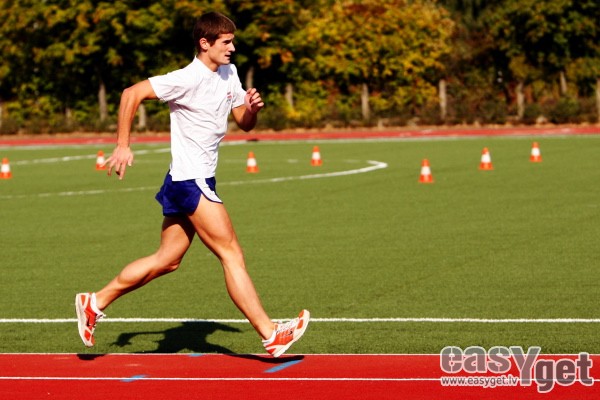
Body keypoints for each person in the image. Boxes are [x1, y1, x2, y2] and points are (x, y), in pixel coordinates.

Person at [75, 12, 309, 358]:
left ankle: (95, 302)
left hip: (187, 179)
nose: (232, 47)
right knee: (231, 254)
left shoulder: (229, 73)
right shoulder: (185, 78)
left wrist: (252, 109)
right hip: (191, 181)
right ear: (205, 43)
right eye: (226, 42)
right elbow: (130, 94)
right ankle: (271, 333)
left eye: (232, 41)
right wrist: (123, 145)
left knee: (167, 260)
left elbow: (243, 122)